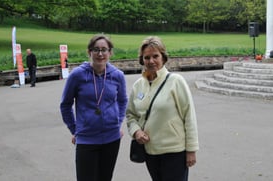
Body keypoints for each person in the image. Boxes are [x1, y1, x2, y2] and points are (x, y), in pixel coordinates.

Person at [126, 36, 199, 181]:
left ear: (163, 58)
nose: (151, 61)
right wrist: (136, 131)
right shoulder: (138, 85)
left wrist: (191, 150)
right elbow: (131, 115)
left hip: (174, 152)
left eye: (155, 56)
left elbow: (189, 116)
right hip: (150, 152)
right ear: (142, 60)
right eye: (147, 57)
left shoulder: (176, 81)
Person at [60, 35, 128, 181]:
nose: (100, 54)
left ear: (110, 52)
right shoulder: (77, 75)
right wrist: (75, 129)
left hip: (111, 139)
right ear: (89, 52)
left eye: (104, 49)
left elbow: (123, 101)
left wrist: (118, 122)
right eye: (96, 49)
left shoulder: (117, 76)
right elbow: (65, 104)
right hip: (87, 139)